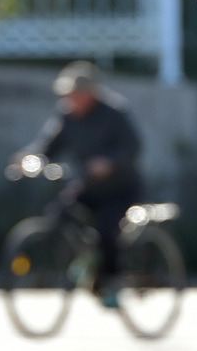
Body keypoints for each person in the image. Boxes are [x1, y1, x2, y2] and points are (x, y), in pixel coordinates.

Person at [13, 61, 142, 307]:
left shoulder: (114, 113)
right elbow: (49, 144)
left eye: (73, 94)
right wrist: (29, 157)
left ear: (90, 93)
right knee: (58, 213)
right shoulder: (67, 115)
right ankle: (81, 260)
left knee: (107, 229)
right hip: (88, 186)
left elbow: (132, 147)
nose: (69, 99)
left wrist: (109, 162)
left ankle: (112, 283)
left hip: (121, 189)